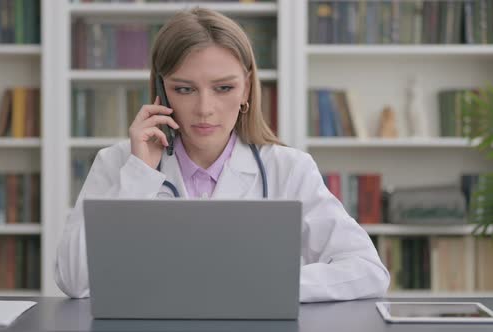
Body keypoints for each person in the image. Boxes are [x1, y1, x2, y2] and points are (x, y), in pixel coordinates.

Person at [55, 8, 390, 302]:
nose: (204, 109)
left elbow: (367, 271)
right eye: (184, 89)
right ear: (161, 89)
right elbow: (73, 279)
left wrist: (268, 285)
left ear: (246, 87)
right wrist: (139, 173)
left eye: (223, 88)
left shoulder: (288, 169)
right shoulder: (117, 164)